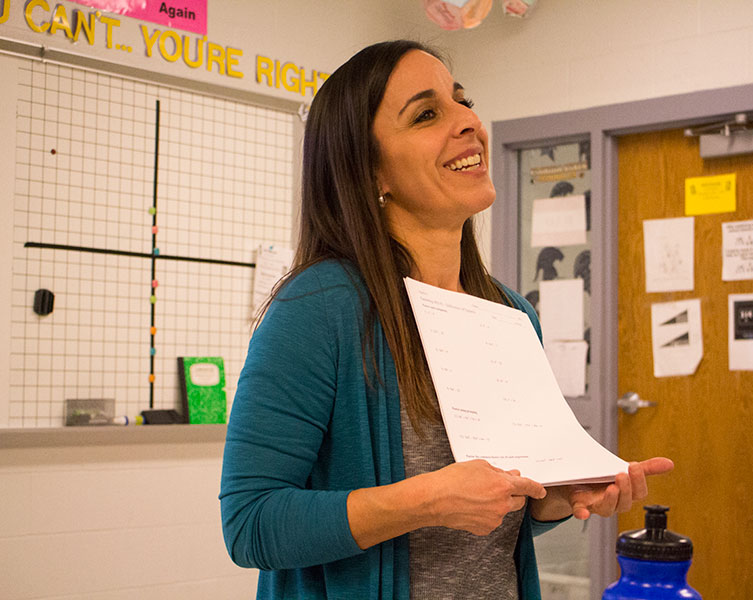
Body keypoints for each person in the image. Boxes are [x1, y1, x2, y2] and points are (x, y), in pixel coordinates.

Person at [219, 39, 674, 600]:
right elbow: (250, 522)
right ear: (370, 172)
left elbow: (500, 511)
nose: (468, 122)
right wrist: (427, 499)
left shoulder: (511, 314)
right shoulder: (320, 306)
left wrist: (559, 495)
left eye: (463, 101)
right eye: (427, 114)